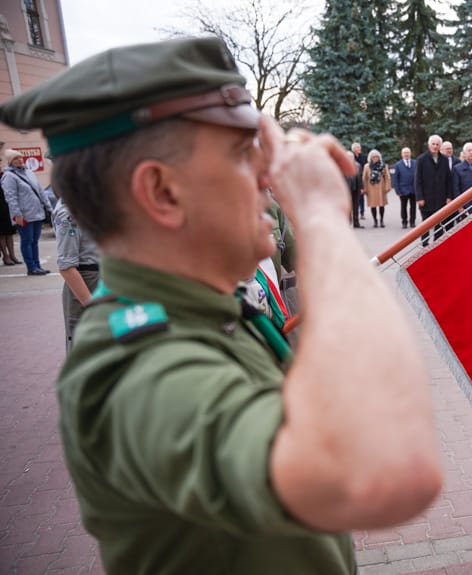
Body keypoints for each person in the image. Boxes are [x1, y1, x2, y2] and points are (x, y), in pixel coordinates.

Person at [0, 36, 442, 574]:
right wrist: (323, 215)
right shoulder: (139, 366)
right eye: (240, 154)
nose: (268, 178)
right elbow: (390, 471)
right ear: (162, 192)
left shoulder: (213, 307)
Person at [53, 197, 101, 351]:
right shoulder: (69, 214)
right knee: (83, 347)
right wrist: (92, 305)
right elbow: (67, 267)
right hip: (86, 282)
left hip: (101, 280)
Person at [1, 149, 52, 275]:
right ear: (10, 162)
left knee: (34, 241)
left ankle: (37, 266)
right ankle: (31, 267)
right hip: (24, 215)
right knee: (27, 241)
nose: (19, 160)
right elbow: (11, 197)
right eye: (15, 159)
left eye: (20, 158)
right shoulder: (9, 177)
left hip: (37, 213)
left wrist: (49, 207)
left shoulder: (29, 172)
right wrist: (17, 214)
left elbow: (40, 191)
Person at [415, 134, 452, 245]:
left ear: (440, 146)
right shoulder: (421, 159)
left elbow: (448, 180)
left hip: (441, 198)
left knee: (439, 222)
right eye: (433, 144)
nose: (435, 146)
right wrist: (419, 197)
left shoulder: (444, 160)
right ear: (429, 145)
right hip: (426, 198)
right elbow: (417, 180)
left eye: (437, 144)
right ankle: (425, 243)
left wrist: (449, 196)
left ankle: (437, 243)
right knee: (426, 223)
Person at [362, 149, 390, 228]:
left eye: (376, 157)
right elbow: (364, 178)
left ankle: (381, 220)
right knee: (373, 205)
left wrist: (387, 186)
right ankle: (375, 221)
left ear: (379, 157)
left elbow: (387, 177)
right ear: (370, 158)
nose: (375, 158)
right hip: (371, 189)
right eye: (373, 157)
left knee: (382, 205)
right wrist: (364, 188)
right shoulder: (367, 166)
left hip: (381, 188)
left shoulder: (383, 165)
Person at [393, 147, 417, 229]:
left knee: (413, 207)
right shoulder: (398, 165)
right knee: (403, 207)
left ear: (410, 153)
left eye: (408, 152)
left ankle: (412, 221)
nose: (406, 154)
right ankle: (404, 222)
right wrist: (397, 190)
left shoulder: (415, 163)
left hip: (414, 189)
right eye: (404, 153)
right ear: (402, 154)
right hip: (403, 190)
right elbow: (395, 178)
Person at [345, 150, 363, 228]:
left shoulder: (358, 165)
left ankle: (356, 223)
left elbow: (361, 177)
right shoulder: (342, 165)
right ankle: (348, 223)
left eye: (351, 157)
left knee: (356, 206)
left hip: (356, 188)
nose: (350, 158)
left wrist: (362, 188)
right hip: (347, 189)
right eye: (348, 157)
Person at [352, 142, 368, 220]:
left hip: (362, 179)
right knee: (354, 198)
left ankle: (362, 212)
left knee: (361, 197)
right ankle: (355, 213)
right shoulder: (351, 156)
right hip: (353, 179)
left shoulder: (364, 157)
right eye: (358, 147)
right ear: (354, 149)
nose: (360, 149)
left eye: (360, 147)